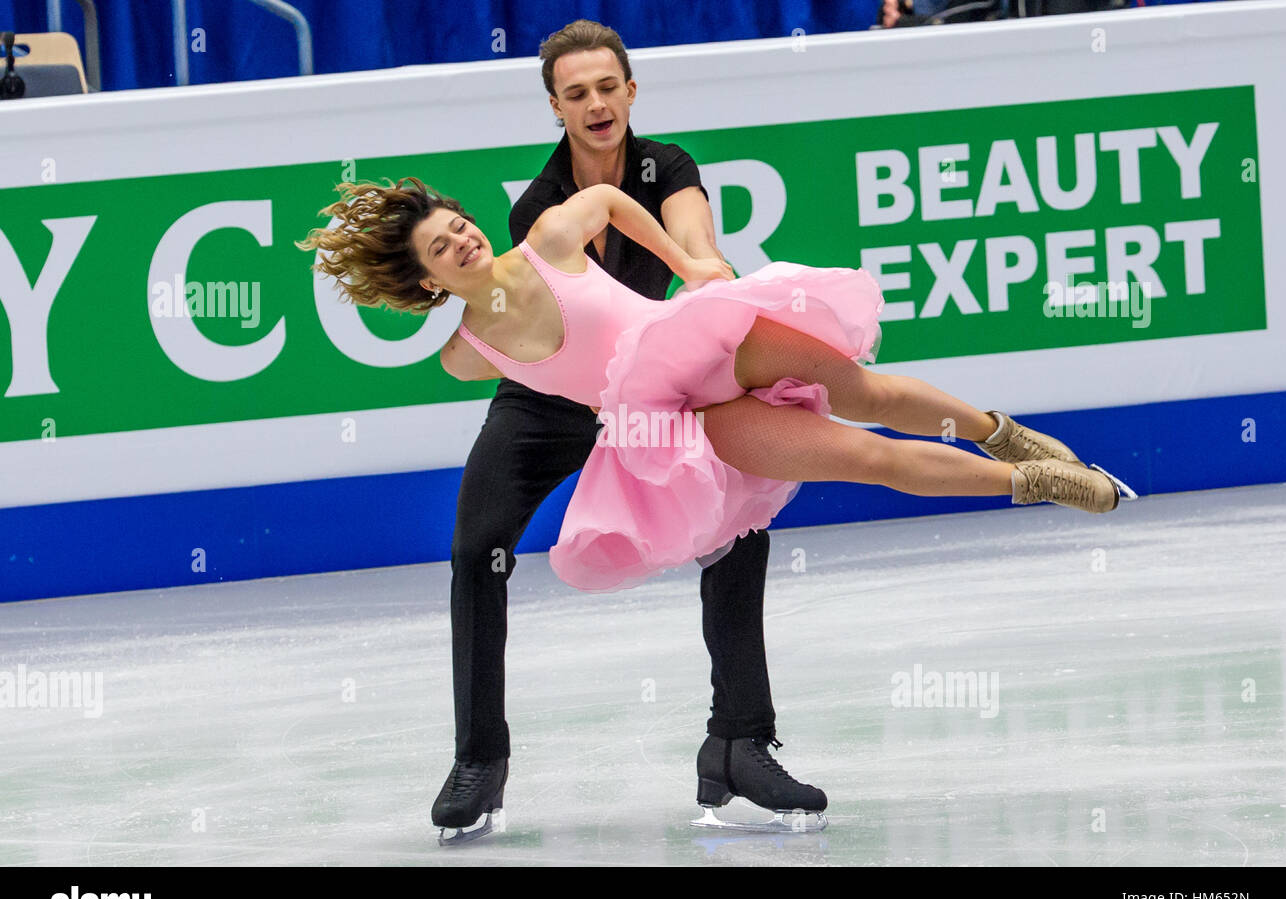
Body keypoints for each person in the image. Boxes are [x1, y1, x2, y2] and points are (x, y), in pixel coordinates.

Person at [299, 167, 1135, 833]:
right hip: (674, 419)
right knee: (863, 457)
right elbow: (560, 388)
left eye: (459, 225)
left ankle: (997, 430)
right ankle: (1035, 482)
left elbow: (610, 201)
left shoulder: (548, 239)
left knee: (861, 391)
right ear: (426, 281)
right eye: (443, 250)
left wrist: (689, 264)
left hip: (698, 340)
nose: (464, 242)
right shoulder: (466, 356)